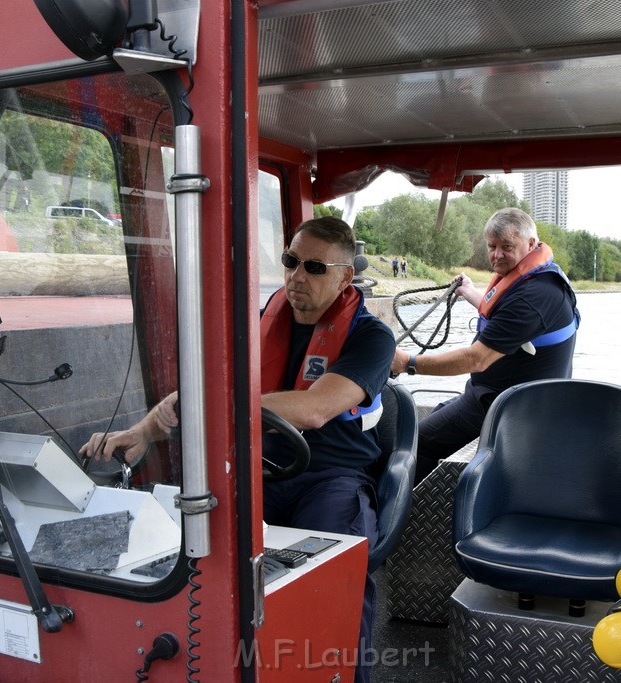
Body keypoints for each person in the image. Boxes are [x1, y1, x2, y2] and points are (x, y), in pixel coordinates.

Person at [80, 216, 394, 682]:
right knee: (190, 552)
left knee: (334, 576)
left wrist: (211, 404)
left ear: (345, 277)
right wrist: (145, 430)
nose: (296, 276)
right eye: (291, 261)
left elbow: (313, 409)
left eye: (313, 267)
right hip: (255, 470)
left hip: (330, 478)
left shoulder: (372, 337)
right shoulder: (259, 323)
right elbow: (202, 389)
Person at [390, 207, 579, 481]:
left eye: (506, 247)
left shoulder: (533, 297)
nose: (497, 254)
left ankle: (395, 514)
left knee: (413, 443)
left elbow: (476, 359)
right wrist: (469, 291)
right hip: (494, 396)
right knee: (433, 418)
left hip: (510, 410)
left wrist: (408, 363)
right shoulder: (536, 278)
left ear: (531, 244)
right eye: (492, 246)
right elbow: (505, 318)